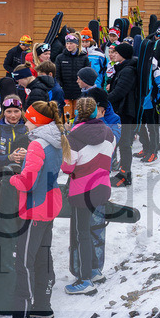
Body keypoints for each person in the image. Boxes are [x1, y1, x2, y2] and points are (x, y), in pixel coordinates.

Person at [0, 100, 63, 318]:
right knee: (43, 255)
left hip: (35, 208)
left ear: (36, 121)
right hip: (50, 203)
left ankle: (21, 317)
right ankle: (43, 305)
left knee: (24, 261)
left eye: (28, 118)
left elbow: (28, 182)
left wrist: (11, 177)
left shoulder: (36, 144)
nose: (25, 121)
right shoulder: (55, 138)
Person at [62, 97, 114, 294]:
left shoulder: (73, 137)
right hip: (102, 186)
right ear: (95, 111)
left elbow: (67, 168)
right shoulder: (109, 132)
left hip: (82, 191)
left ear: (77, 113)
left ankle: (84, 280)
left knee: (81, 233)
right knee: (90, 230)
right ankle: (93, 270)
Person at [107, 42, 138, 187]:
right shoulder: (122, 68)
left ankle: (125, 175)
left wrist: (104, 99)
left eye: (116, 53)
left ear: (123, 55)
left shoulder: (128, 70)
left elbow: (120, 92)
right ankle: (123, 173)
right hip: (121, 110)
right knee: (122, 143)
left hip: (125, 111)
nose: (113, 55)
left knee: (125, 144)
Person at [54, 33, 89, 120]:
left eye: (71, 43)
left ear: (76, 44)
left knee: (79, 117)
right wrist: (60, 87)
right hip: (66, 93)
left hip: (79, 93)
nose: (69, 45)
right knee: (67, 118)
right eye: (67, 43)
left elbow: (87, 75)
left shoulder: (83, 57)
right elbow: (57, 75)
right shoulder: (60, 58)